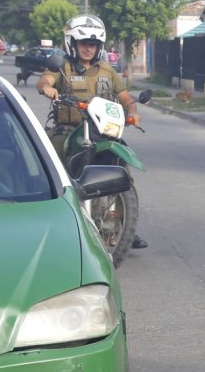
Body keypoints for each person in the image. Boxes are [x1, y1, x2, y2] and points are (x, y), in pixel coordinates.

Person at [37, 14, 148, 250]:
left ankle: (123, 227)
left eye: (94, 44)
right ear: (73, 44)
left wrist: (132, 111)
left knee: (122, 169)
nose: (89, 48)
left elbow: (125, 97)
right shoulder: (62, 66)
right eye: (84, 43)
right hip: (68, 131)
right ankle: (48, 223)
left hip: (101, 131)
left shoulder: (107, 71)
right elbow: (45, 80)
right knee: (50, 170)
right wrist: (47, 87)